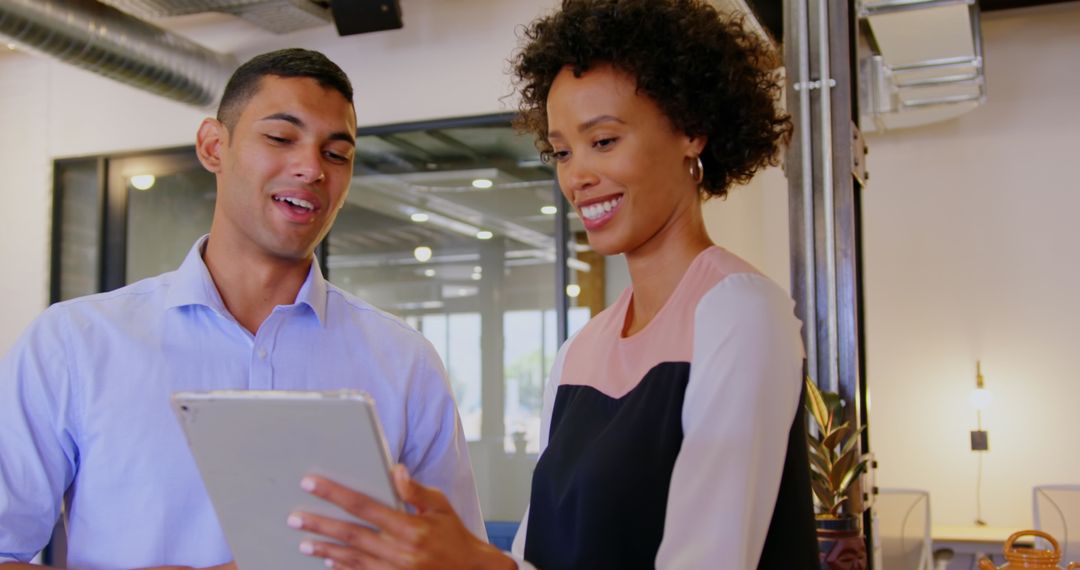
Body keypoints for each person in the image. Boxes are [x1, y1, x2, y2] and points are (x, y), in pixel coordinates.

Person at [288, 1, 819, 568]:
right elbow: (534, 556)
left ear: (692, 131)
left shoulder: (739, 313)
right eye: (562, 151)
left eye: (604, 141)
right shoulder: (578, 354)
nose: (577, 176)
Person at [0, 48, 485, 569]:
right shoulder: (74, 344)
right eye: (280, 138)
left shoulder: (405, 363)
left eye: (336, 154)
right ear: (214, 146)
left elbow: (458, 562)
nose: (311, 168)